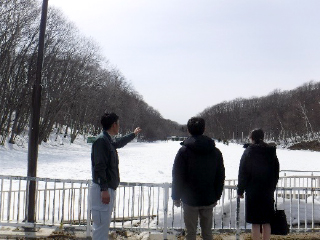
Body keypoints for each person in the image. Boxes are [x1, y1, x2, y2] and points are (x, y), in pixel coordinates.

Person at [172, 117, 225, 240]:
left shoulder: (183, 151)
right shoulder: (215, 152)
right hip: (208, 198)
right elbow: (220, 176)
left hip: (189, 199)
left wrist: (176, 196)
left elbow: (178, 176)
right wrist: (216, 195)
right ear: (204, 129)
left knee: (190, 233)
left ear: (188, 130)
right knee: (207, 233)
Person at [90, 112, 141, 240]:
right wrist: (104, 189)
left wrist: (133, 134)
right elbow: (99, 166)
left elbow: (118, 142)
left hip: (106, 189)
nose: (119, 126)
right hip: (102, 190)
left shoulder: (107, 139)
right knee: (101, 227)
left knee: (103, 225)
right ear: (114, 124)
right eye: (118, 124)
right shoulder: (102, 141)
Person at [237, 129, 279, 240]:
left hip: (253, 192)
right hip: (267, 191)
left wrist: (240, 190)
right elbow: (276, 172)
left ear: (251, 138)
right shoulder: (271, 152)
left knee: (255, 223)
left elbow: (243, 173)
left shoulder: (249, 152)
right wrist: (272, 187)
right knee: (266, 221)